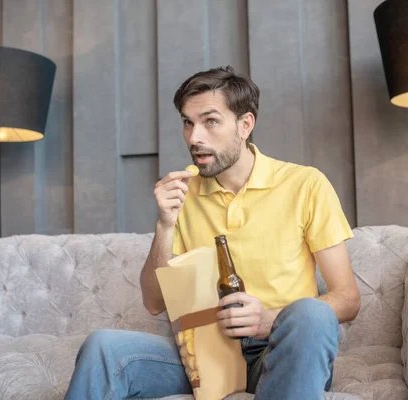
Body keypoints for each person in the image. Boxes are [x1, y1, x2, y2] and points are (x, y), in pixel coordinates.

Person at [65, 66, 361, 400]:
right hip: (208, 354)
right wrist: (164, 224)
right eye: (187, 122)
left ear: (245, 125)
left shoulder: (306, 185)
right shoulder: (184, 196)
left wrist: (267, 320)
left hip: (283, 348)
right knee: (103, 347)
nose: (194, 137)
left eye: (210, 121)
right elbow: (154, 302)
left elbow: (347, 299)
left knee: (312, 314)